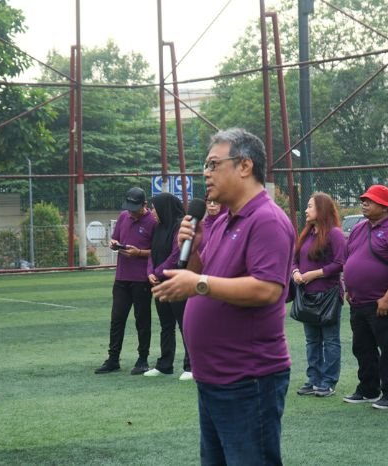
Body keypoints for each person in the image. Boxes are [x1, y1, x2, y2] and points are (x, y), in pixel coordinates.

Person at [151, 128, 296, 465]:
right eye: (205, 165)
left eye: (214, 164)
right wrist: (195, 245)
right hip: (215, 375)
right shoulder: (222, 221)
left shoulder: (267, 220)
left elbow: (267, 289)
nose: (205, 173)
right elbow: (208, 273)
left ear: (244, 166)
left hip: (248, 378)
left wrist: (198, 283)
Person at [342, 185, 388, 410]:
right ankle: (368, 388)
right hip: (358, 300)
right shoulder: (360, 228)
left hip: (381, 302)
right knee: (362, 347)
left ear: (385, 207)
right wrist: (348, 287)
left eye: (370, 200)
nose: (364, 203)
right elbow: (350, 258)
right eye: (364, 200)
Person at [95, 187, 156, 375]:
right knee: (117, 319)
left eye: (134, 208)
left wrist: (139, 253)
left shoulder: (153, 221)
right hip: (121, 277)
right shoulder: (123, 217)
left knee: (142, 320)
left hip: (142, 280)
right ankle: (113, 359)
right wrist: (115, 245)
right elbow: (115, 238)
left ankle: (143, 359)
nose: (130, 211)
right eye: (129, 207)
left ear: (144, 205)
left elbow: (158, 251)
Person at [292, 192, 345, 398]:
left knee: (330, 340)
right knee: (312, 340)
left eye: (310, 206)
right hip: (307, 296)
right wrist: (296, 272)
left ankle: (328, 382)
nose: (306, 210)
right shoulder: (306, 233)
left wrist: (314, 274)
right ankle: (313, 379)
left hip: (328, 296)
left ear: (321, 210)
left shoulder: (334, 234)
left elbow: (340, 263)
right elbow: (294, 259)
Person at [144, 193, 192, 380]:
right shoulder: (158, 227)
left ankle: (191, 366)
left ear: (164, 208)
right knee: (166, 324)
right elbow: (152, 253)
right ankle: (165, 364)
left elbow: (176, 255)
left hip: (176, 282)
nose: (152, 212)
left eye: (154, 208)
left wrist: (157, 272)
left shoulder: (180, 226)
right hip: (160, 282)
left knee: (184, 324)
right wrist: (150, 271)